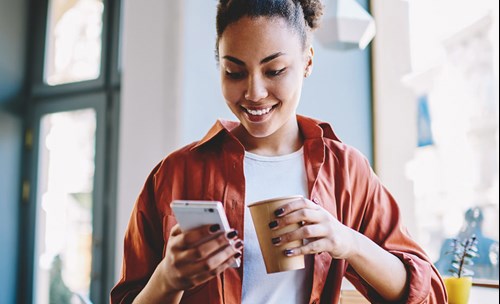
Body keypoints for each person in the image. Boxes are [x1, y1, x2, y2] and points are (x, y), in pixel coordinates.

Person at [111, 0, 448, 303]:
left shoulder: (345, 170)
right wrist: (168, 279)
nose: (254, 92)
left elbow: (429, 294)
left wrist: (346, 241)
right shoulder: (174, 174)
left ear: (307, 62)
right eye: (234, 72)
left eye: (275, 71)